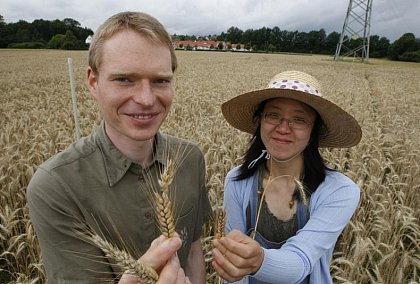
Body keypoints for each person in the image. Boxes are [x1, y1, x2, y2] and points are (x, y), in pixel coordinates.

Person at [27, 11, 211, 283]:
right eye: (124, 79)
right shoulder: (55, 187)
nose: (147, 99)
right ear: (93, 82)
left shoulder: (190, 159)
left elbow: (193, 253)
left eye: (160, 80)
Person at [212, 70, 362, 283]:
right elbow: (232, 259)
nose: (283, 128)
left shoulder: (339, 191)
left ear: (314, 132)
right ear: (260, 121)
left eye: (299, 119)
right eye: (273, 115)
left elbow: (301, 260)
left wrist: (259, 260)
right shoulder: (237, 180)